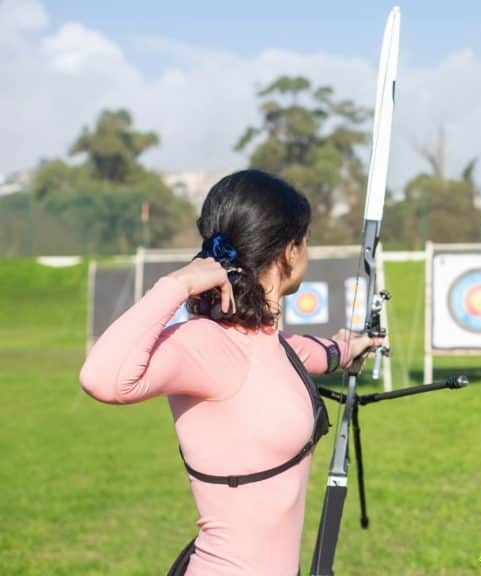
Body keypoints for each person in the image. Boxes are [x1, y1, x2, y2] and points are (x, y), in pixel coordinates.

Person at [80, 169, 381, 575]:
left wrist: (349, 348)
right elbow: (101, 378)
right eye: (306, 240)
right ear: (291, 251)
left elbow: (302, 354)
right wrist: (176, 285)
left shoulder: (267, 343)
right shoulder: (204, 344)